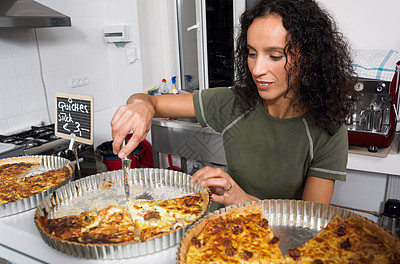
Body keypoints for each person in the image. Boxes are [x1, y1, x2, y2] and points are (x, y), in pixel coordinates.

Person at [110, 0, 355, 206]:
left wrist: (243, 200)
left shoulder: (328, 130)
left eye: (275, 56)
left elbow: (307, 224)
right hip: (227, 235)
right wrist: (140, 106)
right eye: (251, 53)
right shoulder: (235, 102)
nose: (257, 69)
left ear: (309, 58)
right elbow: (150, 101)